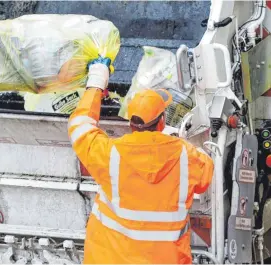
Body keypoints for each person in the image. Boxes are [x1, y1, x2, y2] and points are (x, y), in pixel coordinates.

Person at [68, 58, 214, 264]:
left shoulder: (110, 155)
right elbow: (207, 173)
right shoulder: (185, 157)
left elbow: (80, 126)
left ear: (131, 124)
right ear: (162, 121)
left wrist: (96, 81)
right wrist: (180, 141)